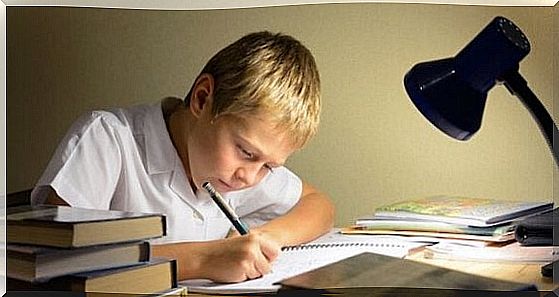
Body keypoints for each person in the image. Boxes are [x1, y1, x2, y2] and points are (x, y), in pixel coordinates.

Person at [30, 31, 334, 283]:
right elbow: (55, 262)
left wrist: (266, 237)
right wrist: (202, 259)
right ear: (202, 99)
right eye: (245, 151)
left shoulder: (237, 174)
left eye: (268, 166)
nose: (250, 177)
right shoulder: (107, 139)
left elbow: (319, 205)